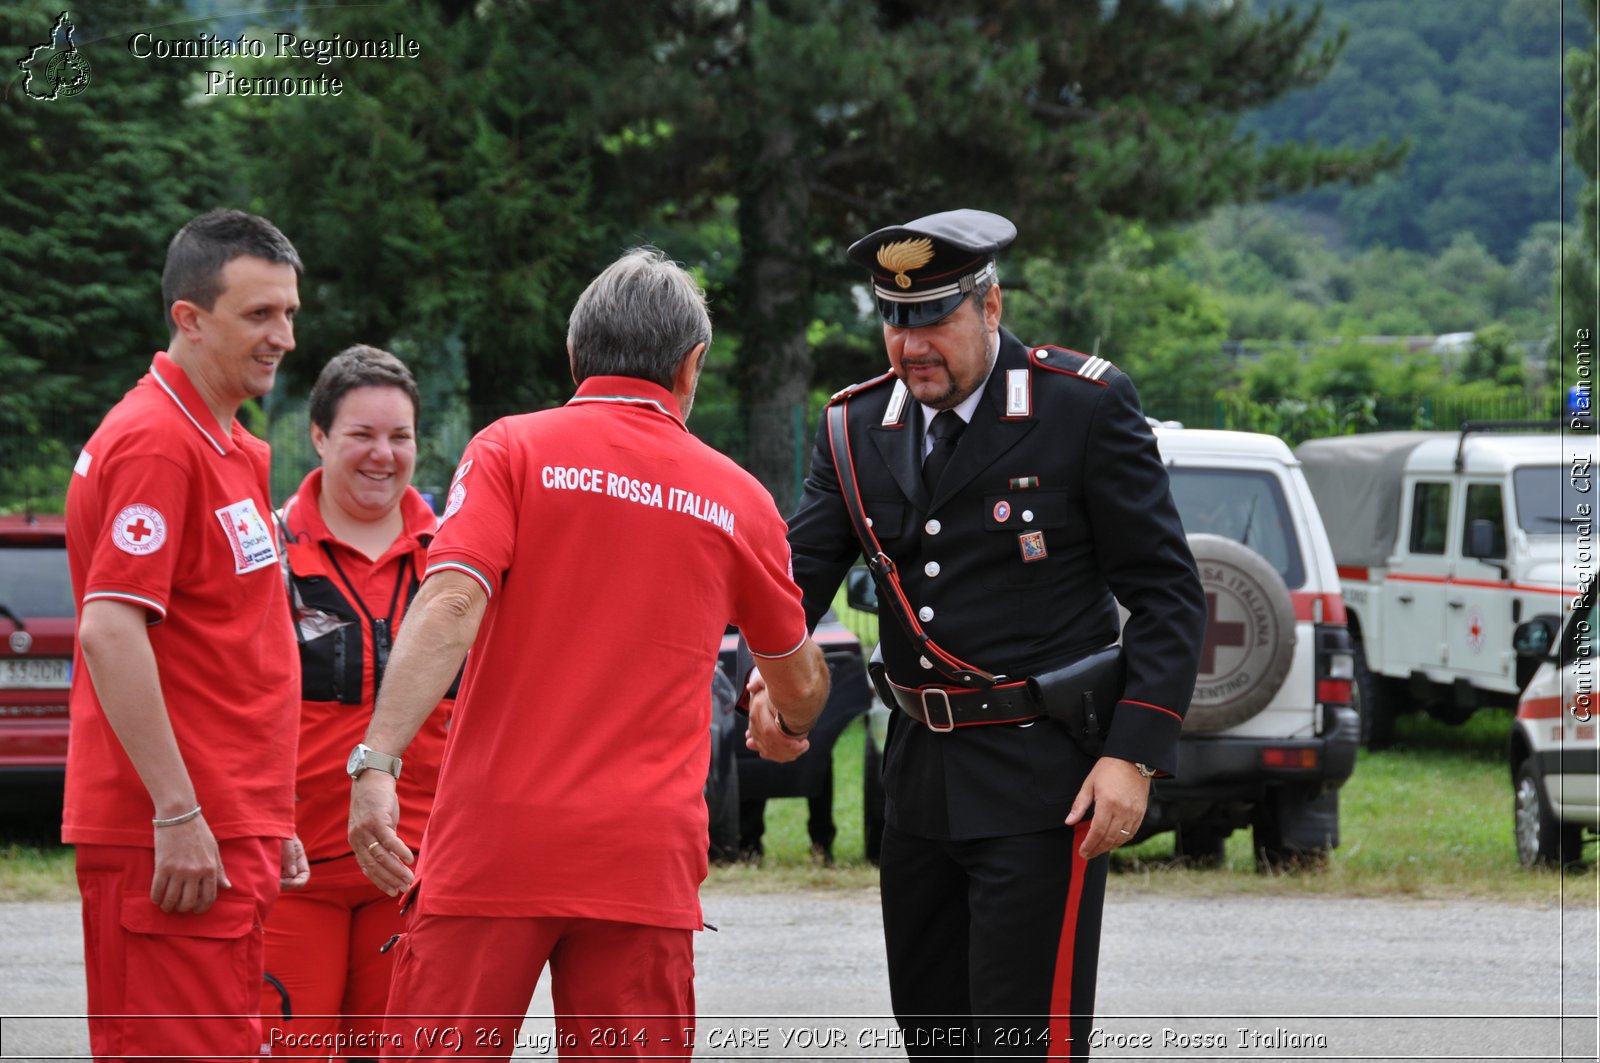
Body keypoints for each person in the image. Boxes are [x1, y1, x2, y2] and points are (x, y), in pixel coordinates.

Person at [346, 248, 831, 1061]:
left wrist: (377, 761)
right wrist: (779, 712)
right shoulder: (737, 497)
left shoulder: (510, 450)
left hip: (493, 845)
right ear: (691, 365)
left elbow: (453, 601)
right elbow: (801, 681)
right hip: (641, 857)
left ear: (575, 355)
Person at [760, 209, 1207, 1059]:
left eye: (933, 316)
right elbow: (789, 585)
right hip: (919, 784)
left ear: (991, 305)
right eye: (895, 319)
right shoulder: (854, 429)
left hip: (1044, 784)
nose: (911, 344)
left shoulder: (1080, 407)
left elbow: (1168, 593)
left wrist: (1134, 754)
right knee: (932, 1036)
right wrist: (768, 682)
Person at [63, 207, 310, 1060]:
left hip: (219, 824)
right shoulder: (158, 443)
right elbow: (109, 631)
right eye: (258, 315)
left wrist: (262, 812)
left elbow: (229, 641)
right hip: (170, 835)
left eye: (289, 313)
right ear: (189, 318)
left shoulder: (226, 443)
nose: (282, 335)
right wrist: (179, 809)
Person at [260, 346, 456, 1058]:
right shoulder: (268, 554)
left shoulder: (458, 557)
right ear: (318, 436)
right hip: (294, 871)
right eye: (361, 435)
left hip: (416, 871)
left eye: (399, 436)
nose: (383, 455)